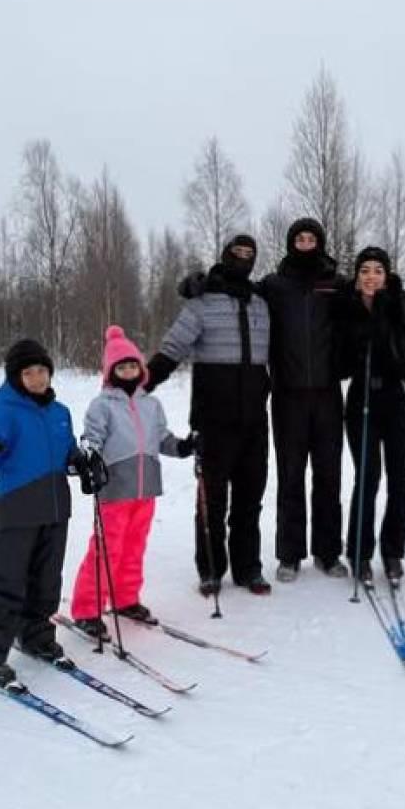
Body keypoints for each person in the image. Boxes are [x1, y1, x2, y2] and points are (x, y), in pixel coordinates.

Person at [0, 339, 102, 688]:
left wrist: (82, 463)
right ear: (16, 376)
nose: (37, 378)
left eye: (42, 371)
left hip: (55, 508)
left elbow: (67, 454)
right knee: (9, 581)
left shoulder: (60, 412)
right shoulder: (5, 407)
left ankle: (36, 637)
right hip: (18, 506)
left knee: (47, 580)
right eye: (28, 372)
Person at [146, 234, 272, 596]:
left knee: (250, 498)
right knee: (212, 500)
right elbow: (172, 348)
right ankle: (211, 569)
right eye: (238, 253)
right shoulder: (201, 304)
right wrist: (141, 384)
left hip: (254, 419)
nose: (244, 259)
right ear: (225, 256)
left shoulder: (261, 304)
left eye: (251, 254)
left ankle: (249, 568)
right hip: (213, 419)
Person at [69, 325, 194, 639]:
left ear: (141, 368)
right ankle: (87, 608)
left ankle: (125, 599)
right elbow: (92, 438)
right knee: (105, 549)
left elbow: (161, 438)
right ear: (111, 371)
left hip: (146, 487)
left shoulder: (151, 404)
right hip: (115, 488)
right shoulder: (102, 405)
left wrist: (182, 447)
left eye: (132, 365)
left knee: (134, 546)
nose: (127, 371)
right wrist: (90, 456)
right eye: (121, 366)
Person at [257, 218, 348, 582]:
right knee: (291, 475)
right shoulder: (275, 285)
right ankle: (290, 555)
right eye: (300, 237)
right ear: (291, 242)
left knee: (329, 476)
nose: (306, 242)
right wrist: (207, 285)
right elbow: (239, 292)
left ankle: (328, 553)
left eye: (312, 238)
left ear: (320, 242)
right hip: (288, 395)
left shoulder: (336, 284)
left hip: (328, 394)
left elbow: (368, 302)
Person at [337, 246, 405, 585]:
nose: (371, 276)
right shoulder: (347, 307)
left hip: (397, 399)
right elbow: (339, 360)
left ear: (386, 274)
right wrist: (349, 358)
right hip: (362, 399)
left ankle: (393, 553)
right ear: (357, 276)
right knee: (368, 477)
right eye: (364, 270)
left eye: (377, 270)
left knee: (399, 479)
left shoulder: (403, 304)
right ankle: (359, 553)